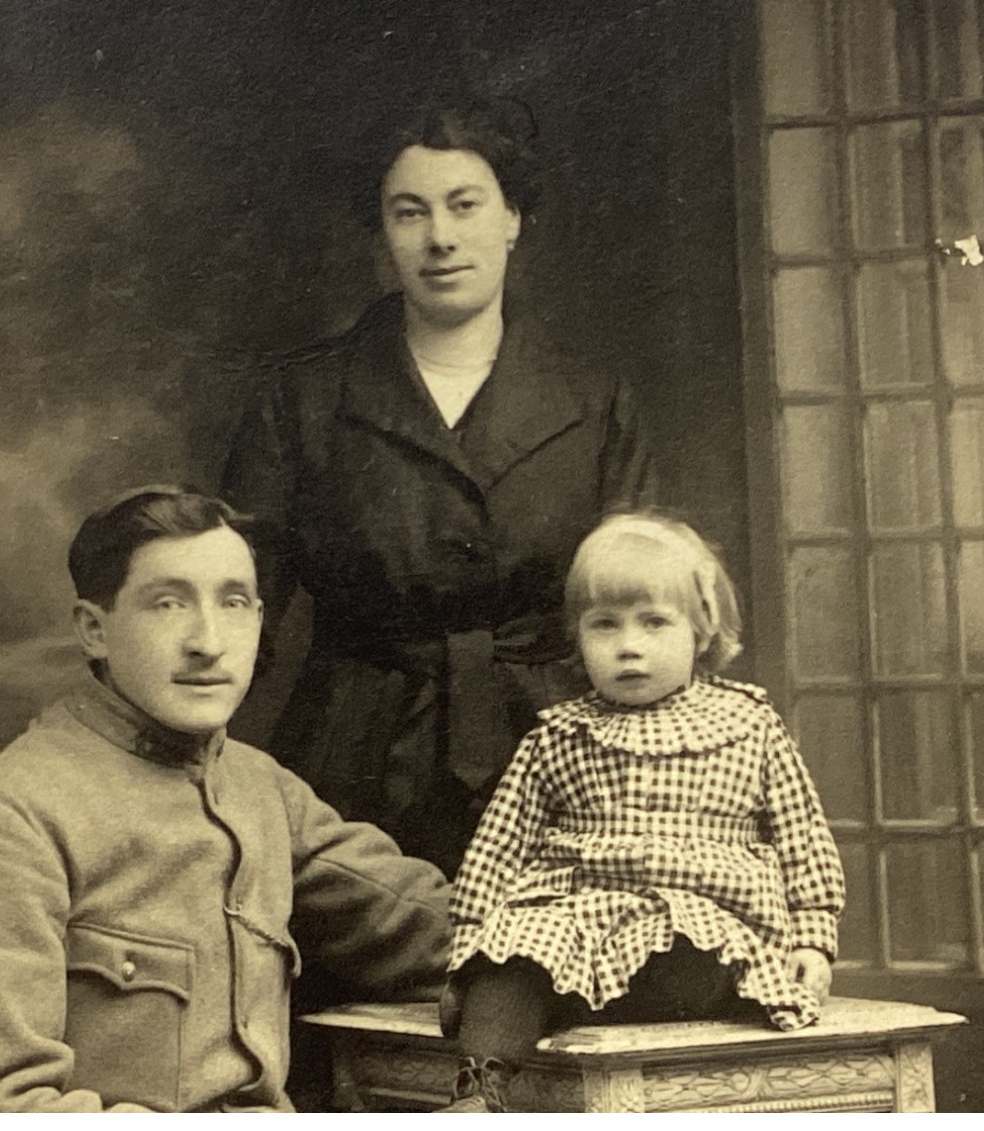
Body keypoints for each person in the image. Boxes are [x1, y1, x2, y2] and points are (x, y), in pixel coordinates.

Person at [0, 486, 451, 1112]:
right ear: (93, 631)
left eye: (235, 602)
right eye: (167, 603)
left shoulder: (258, 787)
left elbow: (429, 928)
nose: (209, 641)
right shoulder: (6, 824)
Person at [222, 96, 660, 877]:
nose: (441, 238)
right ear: (384, 232)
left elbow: (652, 607)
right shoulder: (303, 397)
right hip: (351, 759)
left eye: (466, 205)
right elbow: (234, 602)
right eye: (409, 212)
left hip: (562, 755)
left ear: (513, 216)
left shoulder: (596, 402)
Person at [438, 512, 846, 1112]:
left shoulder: (748, 725)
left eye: (655, 622)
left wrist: (813, 940)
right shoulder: (558, 737)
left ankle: (578, 1000)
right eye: (605, 625)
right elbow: (498, 853)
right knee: (517, 951)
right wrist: (472, 950)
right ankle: (482, 1088)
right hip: (578, 924)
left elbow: (803, 839)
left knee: (687, 948)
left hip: (702, 931)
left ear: (701, 631)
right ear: (577, 636)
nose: (629, 646)